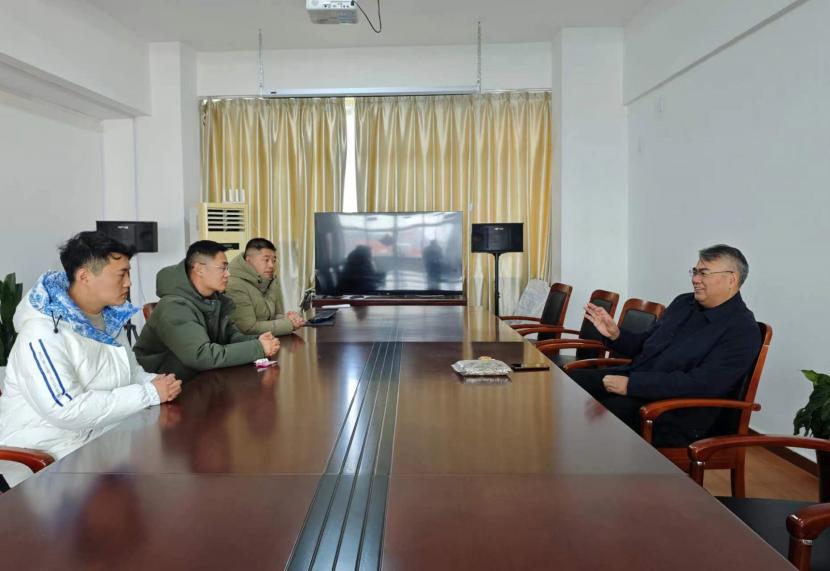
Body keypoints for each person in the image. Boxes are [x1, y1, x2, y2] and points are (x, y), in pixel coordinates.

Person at [0, 231, 182, 487]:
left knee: (172, 466)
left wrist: (158, 383)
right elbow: (66, 409)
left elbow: (130, 374)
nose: (129, 283)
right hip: (47, 458)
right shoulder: (41, 333)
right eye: (121, 274)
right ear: (85, 276)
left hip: (98, 439)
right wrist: (149, 393)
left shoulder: (105, 320)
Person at [568, 244, 762, 446]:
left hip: (675, 411)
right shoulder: (683, 303)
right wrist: (616, 335)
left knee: (598, 414)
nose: (695, 279)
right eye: (695, 272)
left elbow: (701, 384)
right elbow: (646, 346)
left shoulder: (742, 329)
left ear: (732, 279)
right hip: (640, 381)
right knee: (570, 382)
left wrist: (632, 385)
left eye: (704, 273)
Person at [134, 240, 280, 381]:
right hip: (167, 386)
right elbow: (201, 356)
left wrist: (258, 341)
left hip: (200, 377)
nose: (228, 274)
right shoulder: (174, 307)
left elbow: (230, 336)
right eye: (223, 268)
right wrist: (258, 348)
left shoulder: (214, 300)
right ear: (199, 269)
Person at [224, 238, 305, 336]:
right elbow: (248, 329)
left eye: (273, 260)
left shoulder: (271, 281)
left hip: (268, 341)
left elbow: (274, 316)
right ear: (248, 260)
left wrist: (289, 319)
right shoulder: (234, 285)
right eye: (266, 260)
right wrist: (289, 324)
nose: (271, 265)